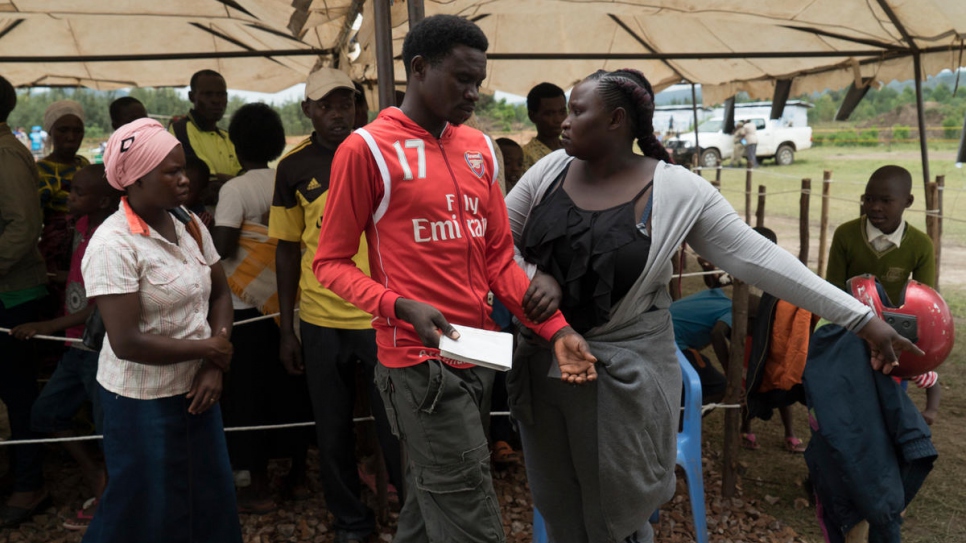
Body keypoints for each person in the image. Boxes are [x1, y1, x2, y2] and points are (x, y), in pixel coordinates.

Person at [504, 68, 920, 543]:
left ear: (616, 119)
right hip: (545, 367)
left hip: (620, 378)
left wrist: (863, 319)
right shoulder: (549, 170)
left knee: (616, 516)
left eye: (578, 110)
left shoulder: (676, 191)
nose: (564, 121)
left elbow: (763, 260)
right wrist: (535, 278)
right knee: (558, 508)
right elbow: (495, 243)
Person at [312, 15, 597, 543]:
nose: (473, 93)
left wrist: (557, 329)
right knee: (470, 513)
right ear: (419, 69)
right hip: (418, 361)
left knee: (428, 501)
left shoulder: (481, 149)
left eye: (478, 82)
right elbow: (329, 263)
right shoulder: (367, 149)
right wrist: (399, 306)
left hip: (479, 351)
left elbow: (497, 259)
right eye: (462, 79)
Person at [80, 118, 241, 543]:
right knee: (142, 509)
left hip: (196, 392)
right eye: (172, 172)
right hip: (141, 404)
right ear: (135, 179)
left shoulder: (188, 222)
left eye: (183, 167)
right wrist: (211, 348)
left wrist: (213, 363)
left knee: (208, 501)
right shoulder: (113, 245)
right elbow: (127, 342)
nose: (185, 179)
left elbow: (221, 295)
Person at [269, 67, 403, 543]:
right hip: (322, 319)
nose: (336, 113)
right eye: (325, 105)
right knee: (332, 431)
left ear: (357, 106)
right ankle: (350, 521)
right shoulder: (293, 167)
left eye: (344, 103)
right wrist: (288, 328)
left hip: (381, 317)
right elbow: (286, 250)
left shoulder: (381, 154)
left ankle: (413, 517)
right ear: (307, 110)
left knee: (396, 429)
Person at [213, 102, 312, 514]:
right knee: (290, 390)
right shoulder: (284, 178)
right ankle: (299, 476)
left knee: (248, 397)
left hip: (245, 308)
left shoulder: (234, 190)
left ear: (235, 145)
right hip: (287, 305)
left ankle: (258, 486)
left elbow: (223, 246)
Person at [11, 164, 119, 529]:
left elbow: (100, 304)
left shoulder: (111, 234)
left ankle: (113, 497)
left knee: (110, 429)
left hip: (98, 348)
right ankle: (96, 477)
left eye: (77, 193)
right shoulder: (83, 226)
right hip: (75, 346)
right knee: (45, 414)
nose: (69, 197)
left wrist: (46, 326)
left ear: (103, 200)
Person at [0, 75, 50, 529]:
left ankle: (29, 482)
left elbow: (23, 224)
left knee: (18, 392)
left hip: (11, 293)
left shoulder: (6, 156)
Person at [826, 165, 935, 304]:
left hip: (895, 324)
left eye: (886, 201)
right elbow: (834, 290)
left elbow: (923, 301)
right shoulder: (845, 234)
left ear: (908, 201)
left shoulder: (921, 245)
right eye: (869, 199)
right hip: (849, 320)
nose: (875, 207)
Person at [37, 100, 90, 303]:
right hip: (55, 253)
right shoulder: (40, 171)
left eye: (77, 131)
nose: (71, 137)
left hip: (86, 246)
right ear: (50, 132)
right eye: (63, 130)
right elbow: (34, 217)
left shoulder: (83, 165)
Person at [169, 69, 241, 187]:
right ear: (192, 97)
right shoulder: (180, 130)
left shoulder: (229, 136)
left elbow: (247, 175)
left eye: (221, 94)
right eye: (208, 94)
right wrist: (236, 182)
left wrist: (223, 179)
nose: (216, 100)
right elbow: (203, 180)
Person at [522, 82, 567, 171]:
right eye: (549, 114)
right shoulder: (525, 156)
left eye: (562, 112)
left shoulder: (572, 148)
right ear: (532, 116)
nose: (558, 120)